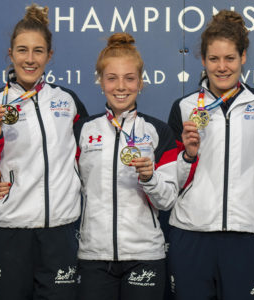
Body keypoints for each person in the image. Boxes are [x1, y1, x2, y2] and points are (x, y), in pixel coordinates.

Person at [0, 4, 87, 299]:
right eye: (22, 50)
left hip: (59, 233)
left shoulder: (67, 101)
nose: (30, 59)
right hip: (12, 233)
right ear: (10, 54)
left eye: (38, 51)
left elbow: (88, 160)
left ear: (49, 56)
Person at [167, 10, 254, 300]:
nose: (222, 67)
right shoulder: (185, 107)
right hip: (191, 232)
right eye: (214, 59)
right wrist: (187, 156)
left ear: (243, 57)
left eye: (229, 58)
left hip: (246, 233)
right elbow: (168, 176)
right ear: (202, 60)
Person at [73, 32, 178, 300]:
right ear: (101, 82)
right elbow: (60, 181)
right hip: (94, 256)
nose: (121, 86)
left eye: (129, 78)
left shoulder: (158, 130)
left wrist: (150, 177)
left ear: (141, 82)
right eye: (112, 78)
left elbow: (166, 200)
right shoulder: (82, 130)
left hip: (145, 255)